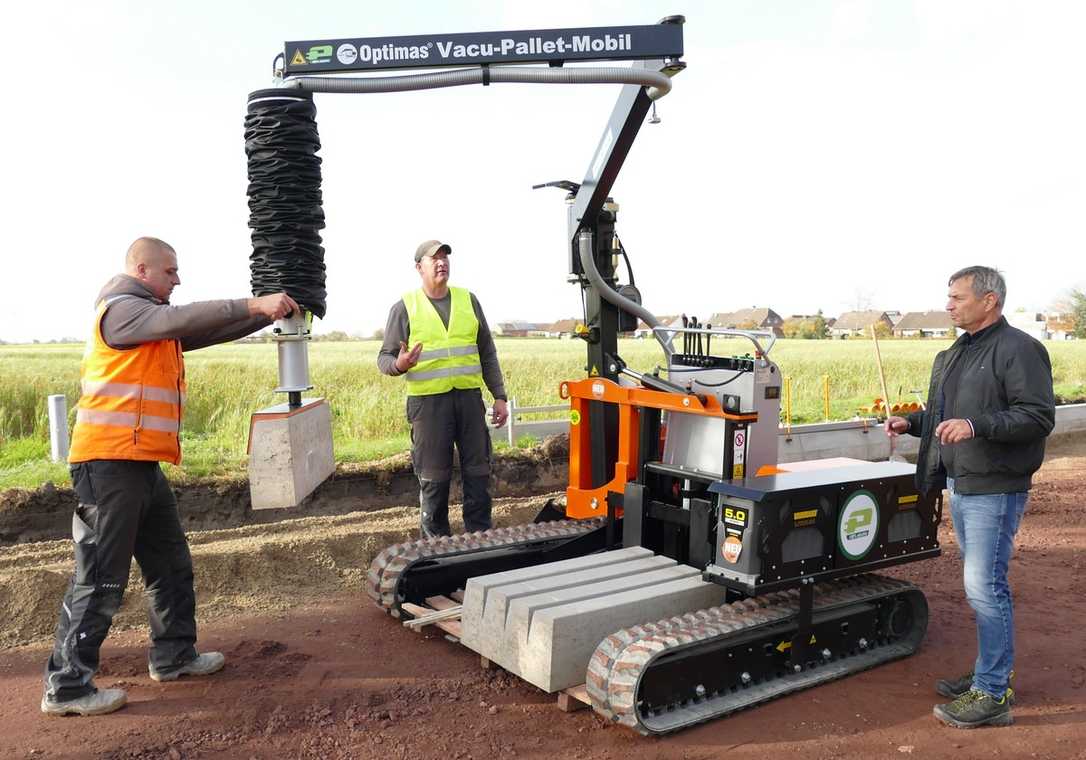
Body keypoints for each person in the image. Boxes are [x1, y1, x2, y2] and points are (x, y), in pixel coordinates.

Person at [41, 237, 300, 716]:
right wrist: (252, 300)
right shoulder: (121, 311)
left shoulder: (150, 323)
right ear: (143, 270)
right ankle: (67, 686)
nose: (177, 281)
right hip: (108, 465)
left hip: (140, 464)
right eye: (171, 272)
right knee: (100, 578)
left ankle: (174, 655)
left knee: (170, 564)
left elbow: (203, 329)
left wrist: (264, 315)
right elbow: (182, 319)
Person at [886, 265, 1054, 729]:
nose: (948, 305)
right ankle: (989, 673)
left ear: (989, 301)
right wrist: (914, 423)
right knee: (980, 587)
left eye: (958, 297)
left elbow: (1038, 417)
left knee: (986, 588)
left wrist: (977, 427)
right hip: (962, 481)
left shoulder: (1020, 349)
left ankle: (994, 693)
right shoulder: (958, 352)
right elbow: (950, 414)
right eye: (949, 297)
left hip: (995, 487)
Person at [378, 239, 509, 539]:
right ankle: (435, 553)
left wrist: (499, 396)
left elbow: (487, 352)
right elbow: (383, 359)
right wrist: (400, 364)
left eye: (445, 257)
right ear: (418, 267)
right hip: (428, 407)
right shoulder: (405, 307)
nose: (441, 263)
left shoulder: (468, 300)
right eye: (433, 258)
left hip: (469, 402)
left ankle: (480, 542)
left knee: (478, 472)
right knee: (434, 480)